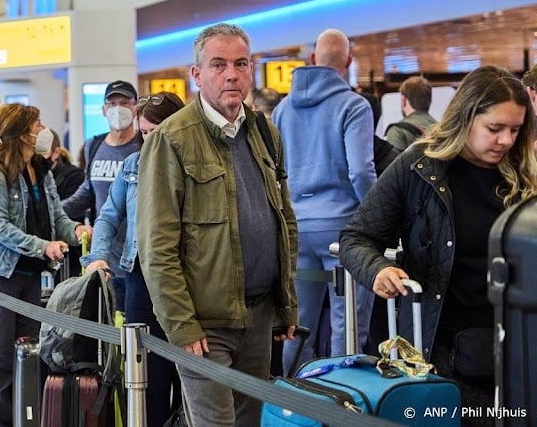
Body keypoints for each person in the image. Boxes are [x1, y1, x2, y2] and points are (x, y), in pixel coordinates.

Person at [341, 66, 537, 426]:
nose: (506, 140)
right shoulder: (418, 165)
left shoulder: (527, 174)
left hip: (516, 350)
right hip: (438, 352)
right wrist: (378, 270)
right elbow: (356, 237)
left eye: (515, 130)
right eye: (494, 129)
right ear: (465, 117)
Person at [136, 23, 298, 427]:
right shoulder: (171, 139)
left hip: (258, 317)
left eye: (241, 64)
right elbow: (156, 246)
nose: (232, 74)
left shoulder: (264, 131)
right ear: (197, 75)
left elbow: (284, 219)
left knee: (248, 422)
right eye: (219, 64)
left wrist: (286, 303)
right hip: (204, 326)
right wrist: (181, 325)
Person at [0, 103, 90, 427]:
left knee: (29, 349)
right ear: (23, 133)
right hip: (3, 272)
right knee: (1, 355)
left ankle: (26, 415)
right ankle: (2, 420)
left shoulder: (40, 168)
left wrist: (77, 230)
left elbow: (56, 216)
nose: (43, 130)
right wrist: (43, 246)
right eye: (38, 124)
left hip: (31, 272)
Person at [271, 29, 376, 366]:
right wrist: (374, 214)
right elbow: (361, 170)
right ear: (348, 61)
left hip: (297, 229)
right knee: (348, 324)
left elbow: (275, 171)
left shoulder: (283, 109)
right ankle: (342, 401)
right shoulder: (354, 106)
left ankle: (294, 402)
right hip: (343, 229)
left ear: (313, 60)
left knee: (298, 327)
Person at [84, 91, 185, 427]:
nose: (150, 139)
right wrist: (98, 257)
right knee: (147, 373)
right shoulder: (132, 166)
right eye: (145, 133)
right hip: (140, 275)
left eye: (158, 131)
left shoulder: (193, 163)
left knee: (187, 372)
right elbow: (108, 215)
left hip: (186, 278)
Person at [63, 80, 142, 309]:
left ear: (135, 107)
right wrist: (55, 213)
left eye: (125, 102)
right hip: (104, 256)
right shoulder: (94, 145)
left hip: (134, 257)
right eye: (113, 103)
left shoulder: (141, 146)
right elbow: (87, 192)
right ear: (104, 109)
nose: (119, 108)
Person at [385, 76, 439, 151]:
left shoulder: (397, 131)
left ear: (403, 100)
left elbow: (394, 161)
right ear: (429, 101)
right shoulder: (442, 130)